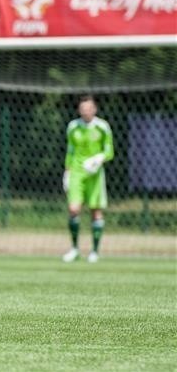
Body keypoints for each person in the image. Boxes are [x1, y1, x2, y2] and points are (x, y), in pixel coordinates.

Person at [62, 95, 114, 263]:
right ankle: (75, 249)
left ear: (94, 109)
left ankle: (94, 251)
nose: (85, 111)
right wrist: (67, 171)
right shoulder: (73, 127)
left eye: (88, 108)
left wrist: (98, 159)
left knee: (95, 212)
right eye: (82, 108)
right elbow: (70, 150)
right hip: (77, 172)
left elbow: (109, 151)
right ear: (79, 110)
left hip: (95, 174)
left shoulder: (102, 127)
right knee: (73, 209)